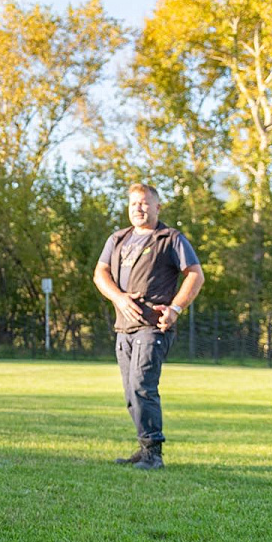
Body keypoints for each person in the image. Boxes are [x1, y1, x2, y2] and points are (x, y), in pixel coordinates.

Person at [93, 183, 204, 470]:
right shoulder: (117, 239)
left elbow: (195, 274)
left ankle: (154, 454)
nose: (138, 208)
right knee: (131, 392)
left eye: (144, 203)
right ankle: (143, 449)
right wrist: (118, 297)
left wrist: (176, 308)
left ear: (157, 207)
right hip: (124, 327)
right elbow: (100, 273)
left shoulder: (171, 238)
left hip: (153, 327)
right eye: (133, 204)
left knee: (143, 385)